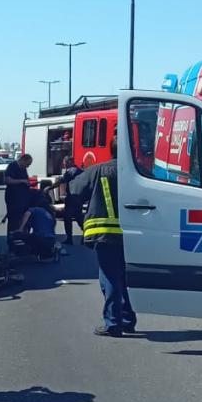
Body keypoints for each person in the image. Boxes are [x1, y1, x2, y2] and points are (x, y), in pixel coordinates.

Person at [69, 139, 136, 337]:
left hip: (104, 233)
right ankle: (126, 319)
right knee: (120, 277)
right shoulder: (135, 173)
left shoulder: (98, 170)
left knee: (109, 277)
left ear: (111, 150)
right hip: (131, 233)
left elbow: (74, 191)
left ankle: (113, 323)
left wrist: (79, 218)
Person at [15, 192, 58, 258]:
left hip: (40, 238)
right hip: (51, 240)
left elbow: (27, 213)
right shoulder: (49, 214)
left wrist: (20, 228)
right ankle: (44, 251)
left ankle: (20, 252)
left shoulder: (36, 209)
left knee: (16, 235)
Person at [53, 156, 84, 245]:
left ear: (70, 162)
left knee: (68, 218)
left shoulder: (71, 171)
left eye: (65, 162)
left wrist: (49, 188)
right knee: (78, 217)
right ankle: (85, 235)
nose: (64, 164)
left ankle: (69, 238)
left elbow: (61, 181)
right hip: (78, 197)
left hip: (72, 198)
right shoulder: (79, 170)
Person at [3, 154, 33, 230]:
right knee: (13, 220)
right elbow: (7, 180)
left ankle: (20, 235)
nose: (28, 166)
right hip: (13, 198)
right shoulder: (12, 166)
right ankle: (12, 237)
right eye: (28, 164)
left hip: (22, 199)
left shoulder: (23, 169)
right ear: (23, 160)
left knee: (21, 219)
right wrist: (22, 181)